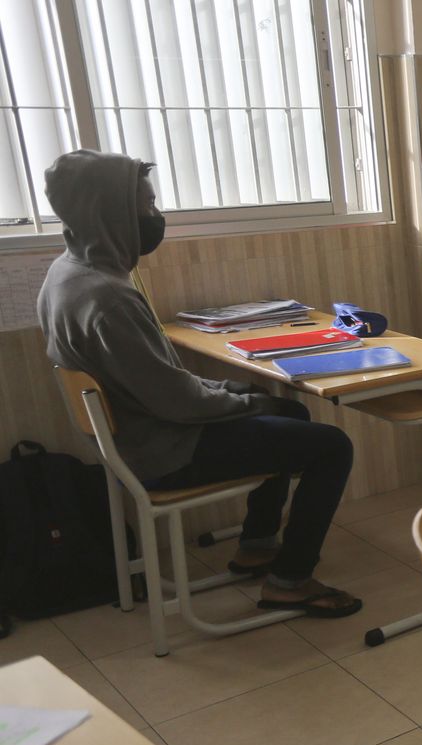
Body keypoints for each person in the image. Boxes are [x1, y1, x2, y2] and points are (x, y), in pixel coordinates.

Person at [37, 150, 361, 617]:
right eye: (146, 207)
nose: (155, 216)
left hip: (139, 437)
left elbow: (160, 385)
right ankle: (289, 581)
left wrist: (241, 398)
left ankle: (257, 545)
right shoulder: (107, 298)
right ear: (109, 213)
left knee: (288, 411)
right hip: (164, 449)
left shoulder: (67, 273)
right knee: (331, 445)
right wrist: (240, 398)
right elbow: (177, 402)